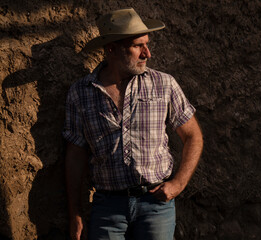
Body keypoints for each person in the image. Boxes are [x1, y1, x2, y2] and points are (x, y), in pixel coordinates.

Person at [63, 8, 203, 240]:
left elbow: (193, 136)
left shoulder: (164, 84)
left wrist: (178, 183)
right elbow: (75, 154)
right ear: (112, 49)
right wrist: (75, 213)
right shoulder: (81, 93)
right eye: (138, 46)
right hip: (107, 208)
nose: (147, 53)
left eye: (147, 44)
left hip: (156, 204)